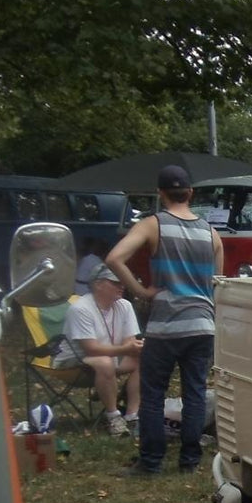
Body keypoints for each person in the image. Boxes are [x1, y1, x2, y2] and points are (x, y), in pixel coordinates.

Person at [105, 164, 224, 475]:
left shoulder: (152, 224)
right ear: (191, 193)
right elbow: (218, 283)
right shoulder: (212, 234)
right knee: (195, 394)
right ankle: (189, 462)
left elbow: (114, 259)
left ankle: (151, 462)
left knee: (153, 394)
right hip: (202, 325)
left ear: (160, 193)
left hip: (166, 326)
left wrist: (142, 291)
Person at [54, 265, 143, 436]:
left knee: (146, 357)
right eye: (116, 283)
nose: (122, 286)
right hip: (74, 363)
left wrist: (136, 347)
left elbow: (129, 342)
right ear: (97, 284)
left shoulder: (125, 306)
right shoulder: (81, 309)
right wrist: (127, 348)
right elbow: (91, 349)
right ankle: (113, 417)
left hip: (110, 358)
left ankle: (132, 416)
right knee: (104, 362)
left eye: (123, 282)